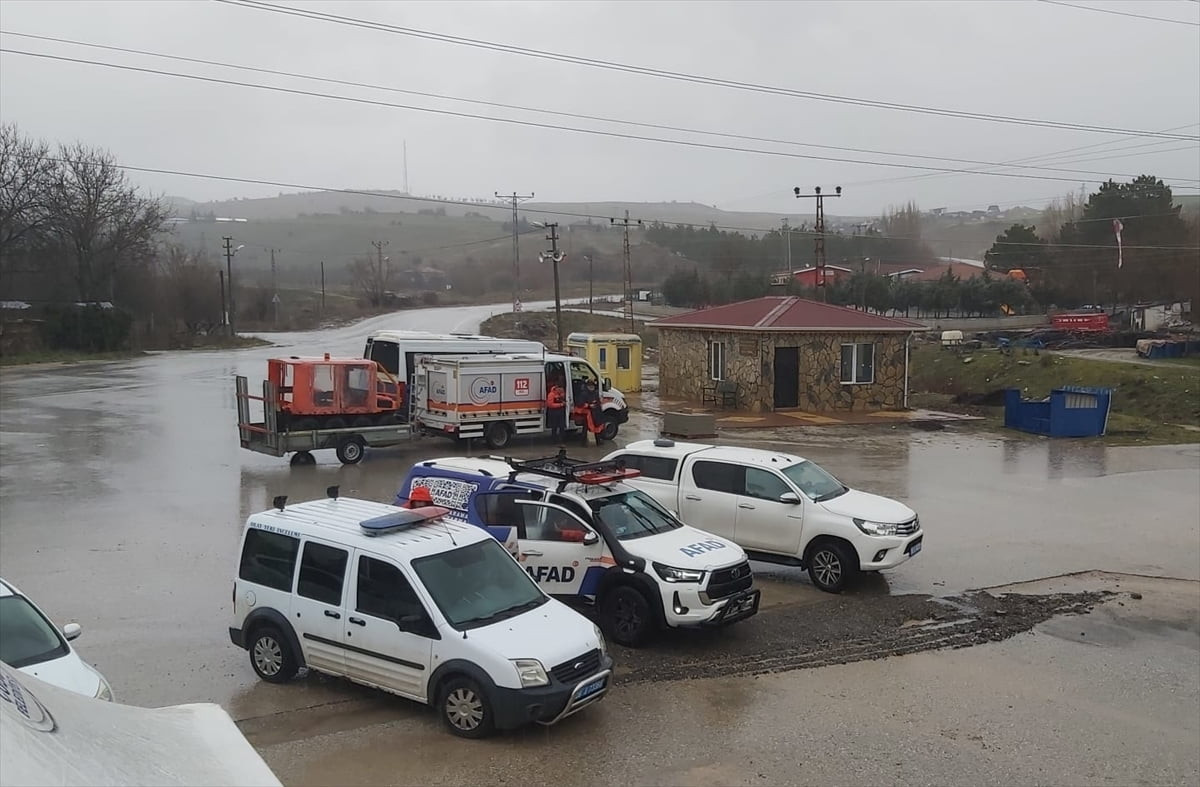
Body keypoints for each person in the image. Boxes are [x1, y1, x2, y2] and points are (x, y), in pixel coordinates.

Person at [546, 376, 567, 445]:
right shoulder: (551, 395)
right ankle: (554, 440)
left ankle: (562, 440)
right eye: (560, 389)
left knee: (562, 427)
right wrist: (561, 405)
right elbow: (550, 405)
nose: (561, 391)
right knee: (554, 427)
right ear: (556, 388)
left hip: (560, 412)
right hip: (554, 413)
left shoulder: (561, 394)